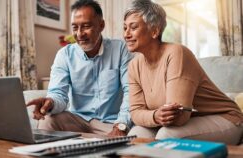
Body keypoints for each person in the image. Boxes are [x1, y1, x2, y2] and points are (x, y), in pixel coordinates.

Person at [124, 0, 243, 144]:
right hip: (187, 122)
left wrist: (153, 116)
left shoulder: (177, 53)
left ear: (154, 31)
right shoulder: (134, 65)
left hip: (226, 118)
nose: (126, 34)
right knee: (135, 136)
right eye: (125, 28)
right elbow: (135, 112)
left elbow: (179, 118)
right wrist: (155, 116)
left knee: (167, 137)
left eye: (133, 27)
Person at [27, 0, 133, 136]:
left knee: (134, 134)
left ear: (101, 25)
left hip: (111, 123)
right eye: (75, 28)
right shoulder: (64, 55)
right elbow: (58, 94)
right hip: (77, 120)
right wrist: (50, 103)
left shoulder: (121, 49)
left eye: (86, 26)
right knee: (48, 120)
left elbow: (130, 91)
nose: (79, 34)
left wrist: (121, 125)